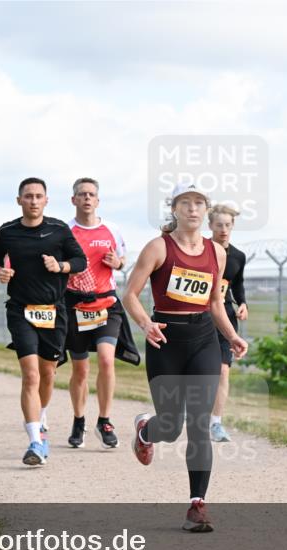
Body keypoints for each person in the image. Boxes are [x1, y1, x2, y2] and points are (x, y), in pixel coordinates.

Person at [121, 184, 247, 532]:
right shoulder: (158, 247)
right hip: (165, 340)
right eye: (185, 203)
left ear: (206, 210)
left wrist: (232, 336)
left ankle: (197, 505)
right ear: (174, 209)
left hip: (203, 339)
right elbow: (130, 294)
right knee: (171, 425)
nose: (193, 208)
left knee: (198, 424)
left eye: (199, 203)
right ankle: (146, 431)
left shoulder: (216, 252)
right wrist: (145, 323)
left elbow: (215, 303)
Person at [0, 177, 87, 466]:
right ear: (19, 200)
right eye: (28, 196)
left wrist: (61, 266)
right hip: (20, 310)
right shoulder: (7, 231)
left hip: (54, 311)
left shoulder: (58, 230)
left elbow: (80, 261)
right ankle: (35, 441)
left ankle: (40, 414)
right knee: (30, 375)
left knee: (47, 374)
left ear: (46, 200)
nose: (33, 201)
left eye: (38, 196)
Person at [63, 177, 131, 449]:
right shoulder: (65, 231)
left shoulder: (112, 229)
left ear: (98, 200)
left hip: (106, 304)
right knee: (80, 369)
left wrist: (118, 263)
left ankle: (104, 421)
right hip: (76, 307)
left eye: (91, 194)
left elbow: (123, 259)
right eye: (82, 194)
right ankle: (79, 420)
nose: (87, 198)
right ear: (74, 200)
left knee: (106, 359)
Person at [207, 205, 248, 443]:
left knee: (223, 370)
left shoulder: (238, 256)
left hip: (226, 317)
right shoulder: (199, 250)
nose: (223, 229)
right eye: (219, 225)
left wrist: (243, 303)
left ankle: (216, 423)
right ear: (210, 225)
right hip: (199, 316)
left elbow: (237, 283)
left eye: (228, 225)